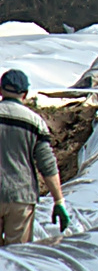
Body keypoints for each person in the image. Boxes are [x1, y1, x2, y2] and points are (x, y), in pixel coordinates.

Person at [0, 70, 68, 244]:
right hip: (21, 196)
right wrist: (58, 200)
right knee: (17, 258)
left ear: (0, 90)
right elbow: (47, 164)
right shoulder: (34, 122)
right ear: (25, 94)